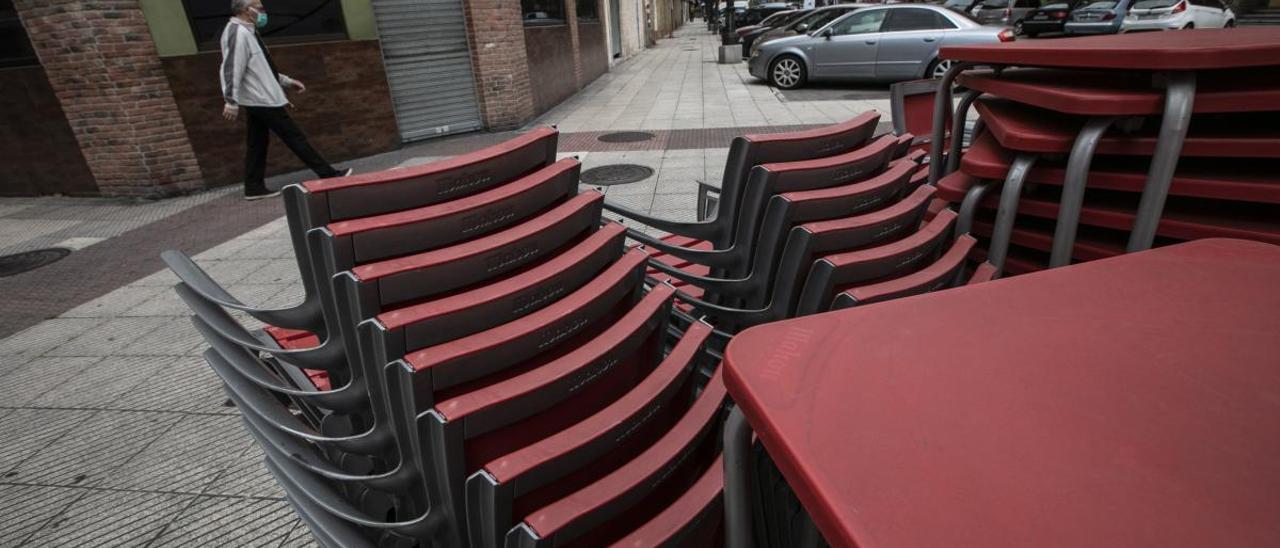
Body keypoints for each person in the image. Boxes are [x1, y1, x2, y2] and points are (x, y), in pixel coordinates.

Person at [219, 0, 351, 200]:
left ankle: (253, 187)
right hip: (261, 99)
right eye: (259, 7)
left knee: (257, 143)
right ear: (247, 10)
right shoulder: (237, 33)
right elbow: (231, 68)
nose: (263, 12)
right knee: (294, 137)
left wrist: (287, 81)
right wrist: (231, 100)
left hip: (261, 98)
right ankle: (328, 174)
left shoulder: (249, 32)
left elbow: (261, 69)